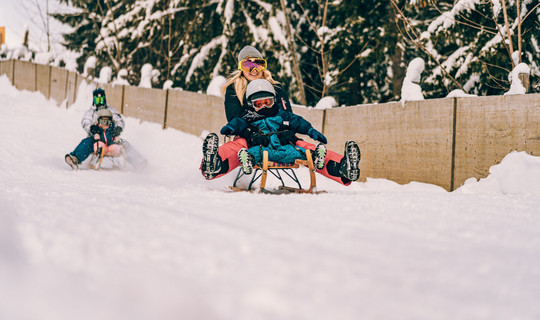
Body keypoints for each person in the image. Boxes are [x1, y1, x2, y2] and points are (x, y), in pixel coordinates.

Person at [201, 45, 360, 184]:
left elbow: (288, 116)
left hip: (279, 134)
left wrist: (288, 132)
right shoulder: (235, 88)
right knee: (238, 147)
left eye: (258, 64)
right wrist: (250, 132)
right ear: (241, 67)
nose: (254, 69)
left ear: (263, 66)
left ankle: (342, 168)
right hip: (250, 135)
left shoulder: (275, 88)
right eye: (248, 64)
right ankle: (214, 164)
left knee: (307, 148)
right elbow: (234, 119)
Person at [219, 79, 329, 174]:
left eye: (267, 102)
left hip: (282, 147)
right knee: (255, 152)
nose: (264, 107)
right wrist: (230, 128)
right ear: (251, 105)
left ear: (274, 101)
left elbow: (297, 121)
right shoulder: (249, 117)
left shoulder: (281, 115)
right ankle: (248, 161)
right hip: (263, 147)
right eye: (258, 104)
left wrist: (310, 130)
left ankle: (316, 157)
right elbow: (238, 122)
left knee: (297, 151)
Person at [65, 88, 146, 170]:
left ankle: (138, 161)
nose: (100, 102)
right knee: (86, 143)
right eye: (97, 100)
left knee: (124, 144)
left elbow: (119, 120)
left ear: (104, 99)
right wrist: (92, 128)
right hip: (96, 138)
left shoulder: (111, 110)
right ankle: (75, 158)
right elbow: (85, 121)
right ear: (94, 100)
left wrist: (118, 129)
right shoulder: (91, 112)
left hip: (111, 137)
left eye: (101, 99)